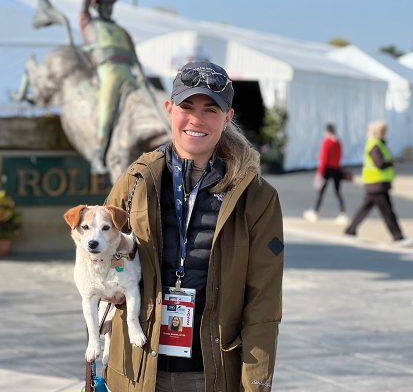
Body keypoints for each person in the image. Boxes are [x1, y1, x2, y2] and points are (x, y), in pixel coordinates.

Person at [104, 61, 284, 391]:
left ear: (228, 118)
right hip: (138, 367)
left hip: (210, 372)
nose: (196, 120)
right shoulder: (137, 181)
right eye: (186, 106)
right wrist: (115, 281)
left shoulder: (256, 198)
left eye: (210, 110)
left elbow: (264, 302)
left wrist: (256, 383)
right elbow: (99, 250)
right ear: (169, 109)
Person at [78, 0, 146, 173]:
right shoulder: (90, 25)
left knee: (146, 105)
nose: (108, 8)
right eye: (103, 5)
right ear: (97, 6)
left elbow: (135, 59)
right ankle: (98, 153)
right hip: (107, 73)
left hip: (128, 74)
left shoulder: (122, 32)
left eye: (110, 5)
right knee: (106, 113)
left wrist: (141, 76)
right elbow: (83, 7)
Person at [344, 120, 411, 246]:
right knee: (388, 212)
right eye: (383, 130)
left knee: (366, 208)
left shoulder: (379, 144)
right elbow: (379, 163)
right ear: (377, 131)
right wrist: (392, 163)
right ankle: (398, 237)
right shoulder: (374, 145)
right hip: (376, 183)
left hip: (376, 183)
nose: (386, 132)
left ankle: (350, 230)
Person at [303, 123, 349, 224]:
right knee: (337, 191)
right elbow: (340, 155)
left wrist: (319, 172)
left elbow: (323, 159)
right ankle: (343, 212)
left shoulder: (326, 142)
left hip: (327, 169)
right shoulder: (338, 142)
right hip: (336, 168)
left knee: (321, 192)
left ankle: (315, 212)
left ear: (327, 131)